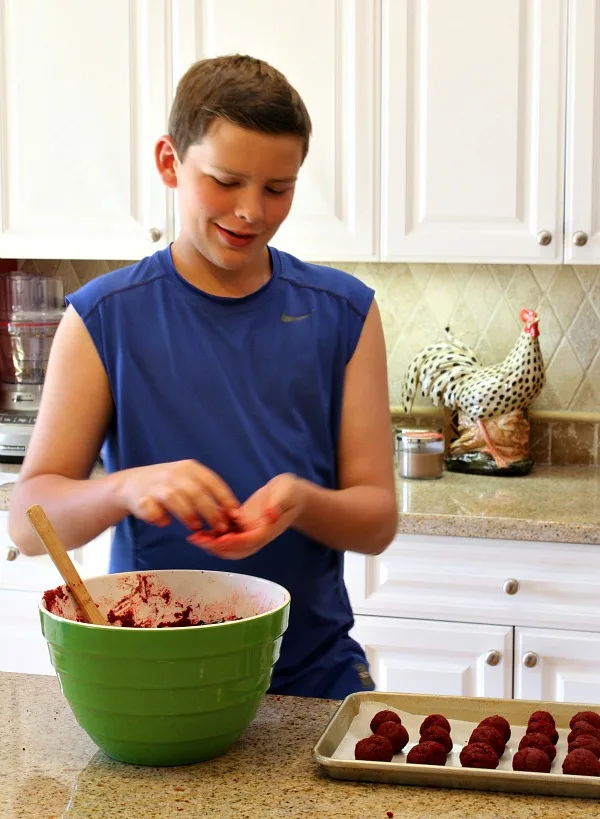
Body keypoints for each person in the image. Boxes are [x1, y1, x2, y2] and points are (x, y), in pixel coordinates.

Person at [8, 54, 397, 698]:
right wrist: (125, 488)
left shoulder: (345, 312)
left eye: (278, 188)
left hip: (309, 674)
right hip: (152, 677)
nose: (251, 211)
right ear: (170, 163)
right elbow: (27, 521)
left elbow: (376, 520)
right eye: (225, 180)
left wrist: (303, 501)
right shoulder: (103, 317)